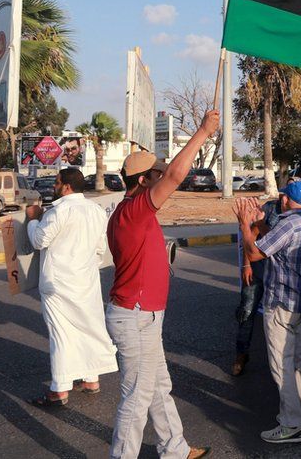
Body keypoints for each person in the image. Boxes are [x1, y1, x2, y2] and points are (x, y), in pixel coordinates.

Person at [106, 109, 218, 459]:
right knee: (137, 397)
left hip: (145, 315)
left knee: (157, 386)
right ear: (143, 180)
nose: (163, 178)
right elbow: (175, 174)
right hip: (136, 315)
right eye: (156, 173)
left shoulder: (132, 210)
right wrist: (202, 132)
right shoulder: (134, 209)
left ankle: (176, 449)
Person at [234, 180, 301, 444]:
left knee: (281, 366)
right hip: (300, 303)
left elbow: (255, 252)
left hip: (281, 304)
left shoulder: (289, 224)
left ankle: (291, 425)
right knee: (296, 360)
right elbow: (276, 240)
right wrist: (260, 221)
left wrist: (244, 224)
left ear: (284, 200)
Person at [25, 168, 118, 407]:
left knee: (62, 334)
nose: (54, 187)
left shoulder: (59, 211)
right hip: (85, 281)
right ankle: (90, 380)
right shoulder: (96, 210)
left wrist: (34, 219)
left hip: (58, 284)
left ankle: (59, 390)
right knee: (88, 327)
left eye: (56, 183)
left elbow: (38, 241)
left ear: (66, 186)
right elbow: (100, 249)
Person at [232, 197, 281, 377]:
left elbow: (273, 240)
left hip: (277, 275)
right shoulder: (269, 208)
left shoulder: (295, 218)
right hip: (257, 271)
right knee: (246, 311)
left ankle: (278, 360)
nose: (285, 200)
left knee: (276, 317)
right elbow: (250, 237)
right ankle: (241, 354)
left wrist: (260, 223)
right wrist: (246, 264)